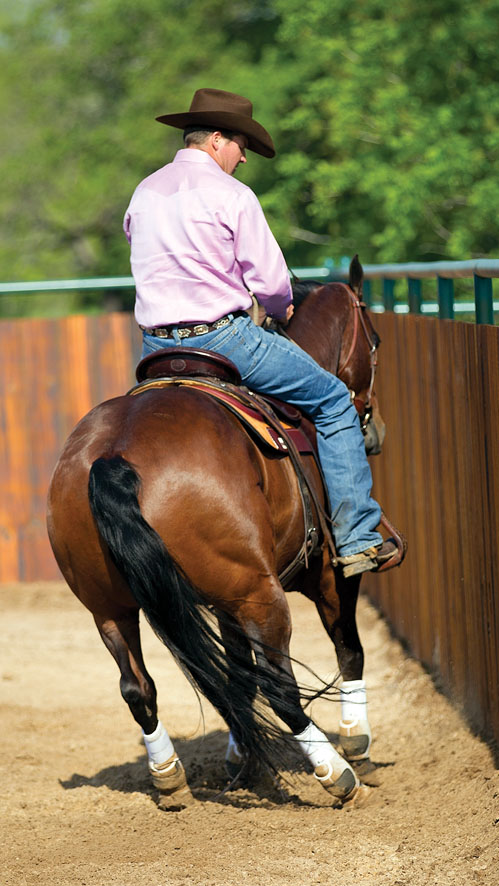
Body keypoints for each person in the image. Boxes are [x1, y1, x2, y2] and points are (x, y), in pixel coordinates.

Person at [123, 88, 396, 576]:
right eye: (241, 144)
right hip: (223, 340)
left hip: (156, 347)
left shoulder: (144, 192)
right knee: (333, 400)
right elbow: (271, 284)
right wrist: (280, 308)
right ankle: (356, 536)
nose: (244, 156)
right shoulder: (232, 195)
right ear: (217, 140)